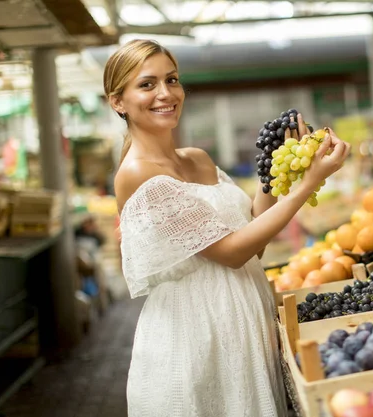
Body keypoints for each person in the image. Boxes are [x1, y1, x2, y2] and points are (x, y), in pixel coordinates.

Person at [105, 39, 351, 417]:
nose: (166, 93)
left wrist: (275, 176)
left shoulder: (198, 159)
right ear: (117, 102)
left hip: (244, 327)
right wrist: (307, 185)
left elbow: (253, 241)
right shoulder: (138, 174)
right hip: (194, 339)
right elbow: (233, 252)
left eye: (172, 80)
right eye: (147, 84)